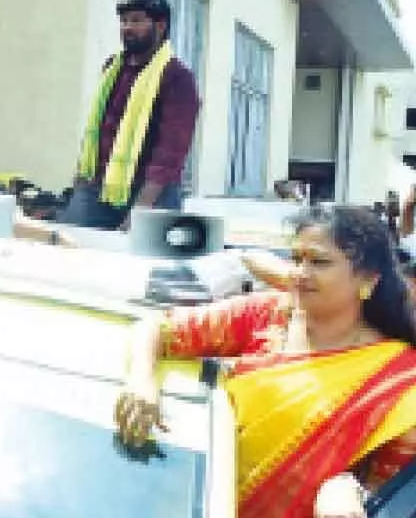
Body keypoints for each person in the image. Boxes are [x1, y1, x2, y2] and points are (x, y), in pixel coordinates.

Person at [115, 206, 416, 517]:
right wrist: (141, 381)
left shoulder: (398, 378)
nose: (300, 273)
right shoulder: (267, 315)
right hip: (188, 502)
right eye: (296, 259)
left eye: (319, 262)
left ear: (367, 280)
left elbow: (389, 496)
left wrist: (344, 486)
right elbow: (154, 328)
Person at [59, 0, 200, 231]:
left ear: (160, 25)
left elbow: (170, 153)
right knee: (71, 246)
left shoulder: (177, 77)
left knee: (142, 265)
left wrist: (141, 208)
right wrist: (79, 185)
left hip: (153, 193)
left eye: (136, 21)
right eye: (123, 21)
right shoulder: (112, 69)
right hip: (99, 187)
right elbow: (98, 132)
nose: (127, 28)